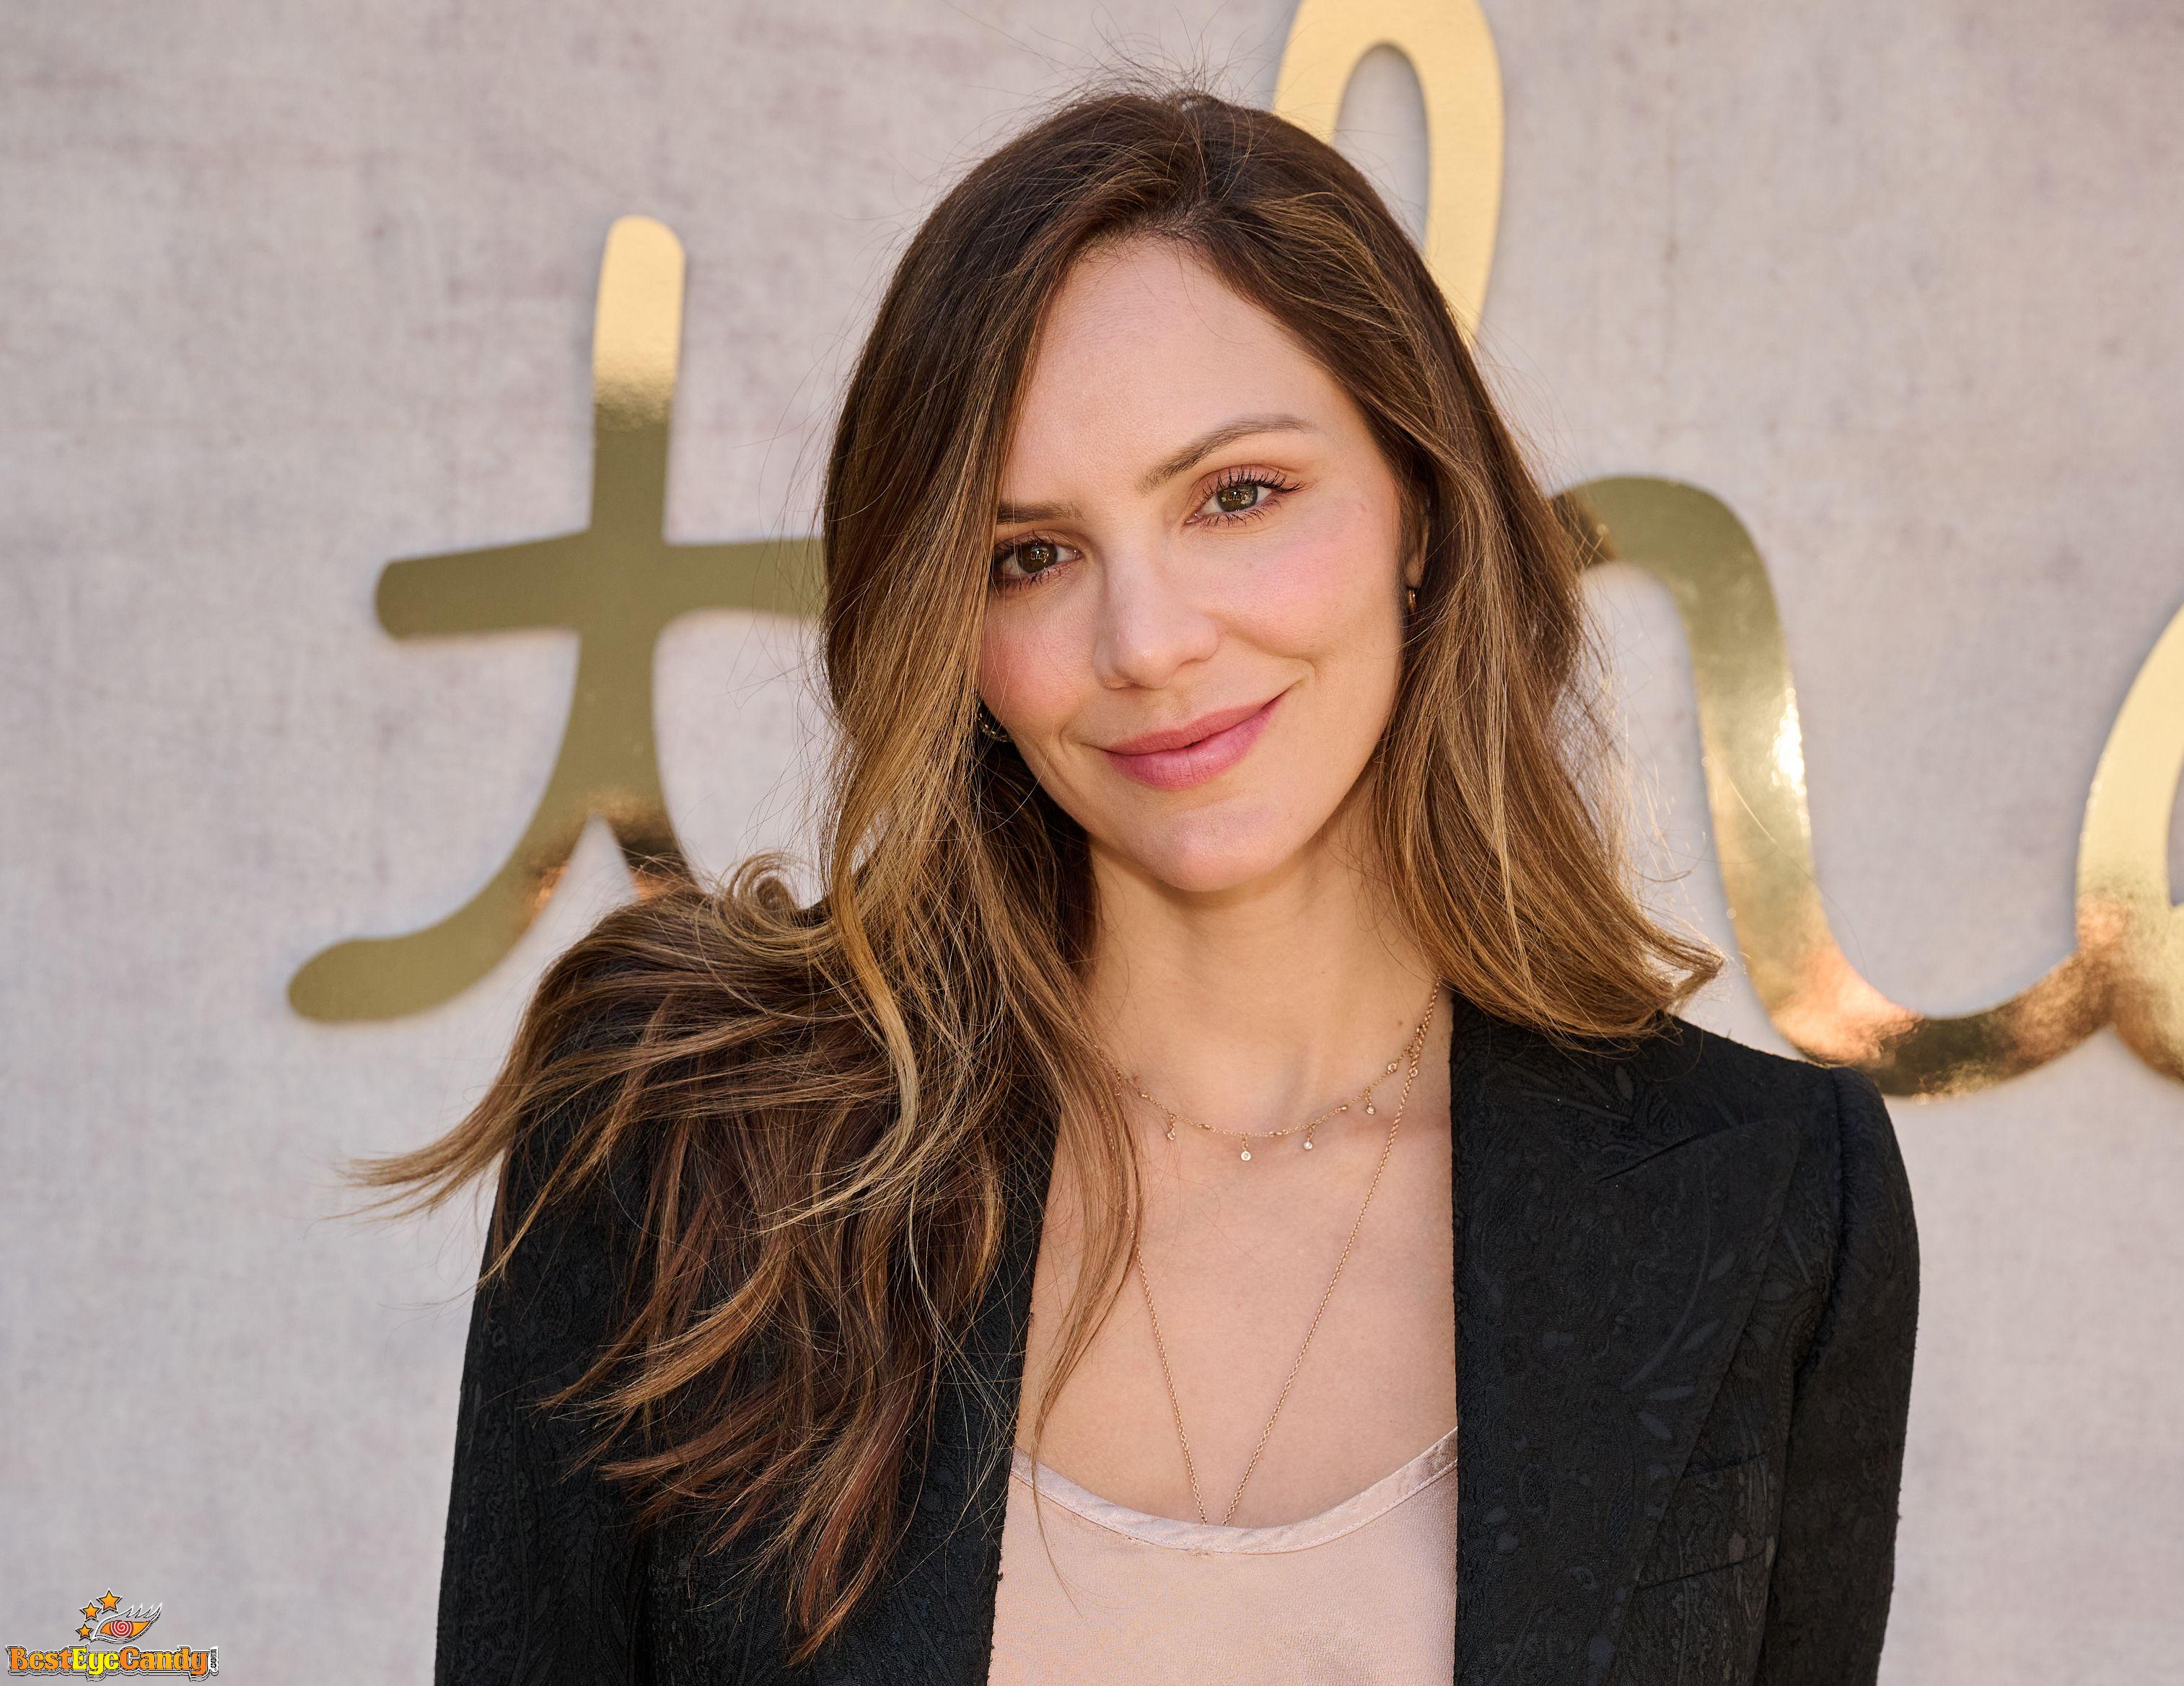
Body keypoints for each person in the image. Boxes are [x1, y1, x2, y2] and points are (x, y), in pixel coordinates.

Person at [372, 79, 1918, 1686]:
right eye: (1027, 554)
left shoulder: (1760, 1200)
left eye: (1235, 495)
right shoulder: (684, 1146)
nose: (1147, 641)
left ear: (1417, 505)